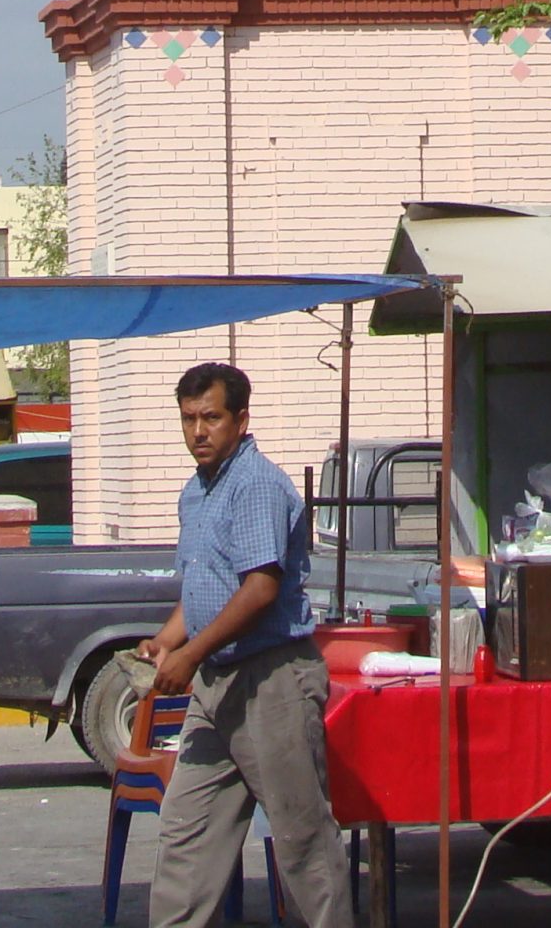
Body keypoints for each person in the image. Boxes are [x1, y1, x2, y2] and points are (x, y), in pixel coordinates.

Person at [141, 363, 350, 928]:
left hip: (272, 679)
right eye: (189, 419)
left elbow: (259, 588)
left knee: (301, 838)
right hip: (216, 684)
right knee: (186, 833)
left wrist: (189, 654)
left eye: (211, 417)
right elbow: (206, 584)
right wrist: (167, 640)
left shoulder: (256, 484)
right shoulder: (197, 492)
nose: (198, 432)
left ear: (240, 419)